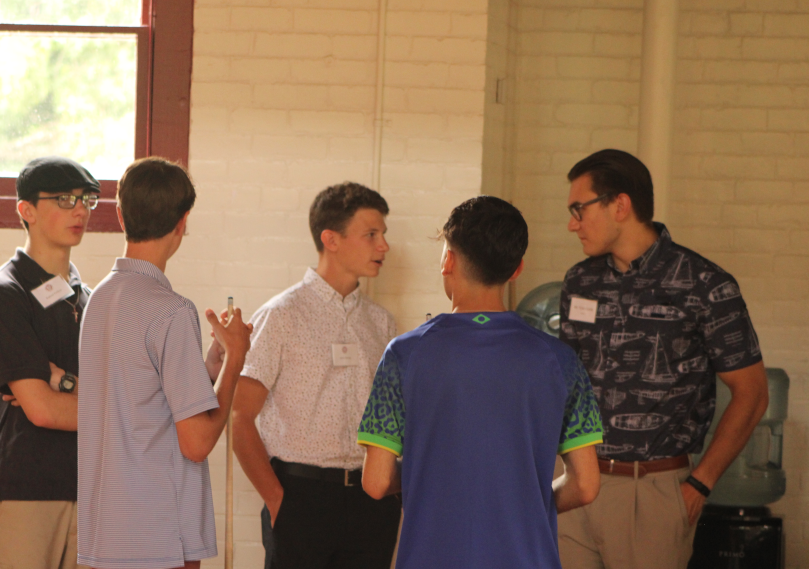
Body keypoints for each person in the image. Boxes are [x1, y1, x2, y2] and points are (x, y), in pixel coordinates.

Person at [358, 196, 603, 569]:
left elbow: (376, 482)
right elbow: (585, 486)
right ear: (517, 268)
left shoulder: (404, 355)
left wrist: (431, 470)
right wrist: (525, 502)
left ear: (448, 260)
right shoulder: (560, 361)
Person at [557, 149, 769, 568]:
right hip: (575, 483)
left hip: (652, 493)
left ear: (620, 205)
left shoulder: (705, 284)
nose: (572, 224)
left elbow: (753, 394)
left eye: (579, 209)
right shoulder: (580, 281)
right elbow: (566, 382)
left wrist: (698, 485)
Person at [77, 157, 252, 569]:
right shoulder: (170, 310)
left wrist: (211, 364)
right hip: (156, 537)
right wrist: (236, 363)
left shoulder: (97, 300)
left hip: (106, 533)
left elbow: (142, 396)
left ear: (120, 215)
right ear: (182, 222)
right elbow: (197, 444)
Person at [232, 182, 401, 569]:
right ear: (331, 239)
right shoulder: (280, 315)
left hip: (371, 502)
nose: (383, 246)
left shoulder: (383, 324)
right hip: (300, 498)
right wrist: (277, 500)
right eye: (371, 234)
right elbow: (241, 417)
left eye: (384, 235)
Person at [0, 156, 100, 569]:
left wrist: (62, 382)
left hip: (89, 493)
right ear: (25, 210)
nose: (79, 209)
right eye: (64, 199)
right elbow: (42, 410)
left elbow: (114, 390)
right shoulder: (4, 292)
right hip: (24, 491)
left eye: (86, 199)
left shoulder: (89, 297)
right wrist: (122, 413)